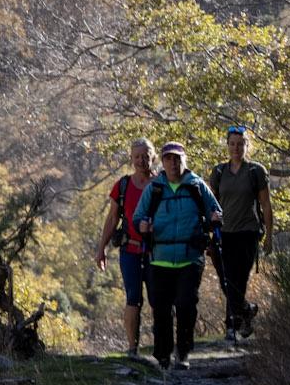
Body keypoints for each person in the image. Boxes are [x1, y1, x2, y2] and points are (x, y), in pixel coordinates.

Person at [133, 141, 222, 371]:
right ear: (162, 162)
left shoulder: (196, 186)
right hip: (159, 257)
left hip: (190, 257)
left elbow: (216, 210)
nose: (173, 163)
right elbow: (137, 217)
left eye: (177, 158)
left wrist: (215, 219)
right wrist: (142, 225)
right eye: (169, 159)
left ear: (184, 160)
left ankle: (182, 353)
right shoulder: (154, 189)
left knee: (186, 305)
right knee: (161, 308)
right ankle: (163, 356)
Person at [209, 125, 273, 343]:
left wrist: (270, 236)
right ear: (227, 146)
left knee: (238, 279)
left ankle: (231, 328)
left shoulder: (256, 171)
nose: (236, 148)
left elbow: (265, 203)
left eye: (240, 144)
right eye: (232, 144)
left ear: (247, 146)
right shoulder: (218, 172)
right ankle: (246, 310)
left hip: (248, 232)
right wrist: (208, 233)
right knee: (226, 281)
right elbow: (211, 204)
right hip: (223, 234)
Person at [93, 138, 156, 359]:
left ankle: (162, 348)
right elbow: (112, 219)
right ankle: (133, 349)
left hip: (158, 253)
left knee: (159, 299)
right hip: (130, 251)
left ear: (153, 157)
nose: (141, 160)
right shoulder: (122, 186)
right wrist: (101, 249)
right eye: (137, 156)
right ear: (131, 159)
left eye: (146, 155)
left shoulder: (163, 184)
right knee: (133, 298)